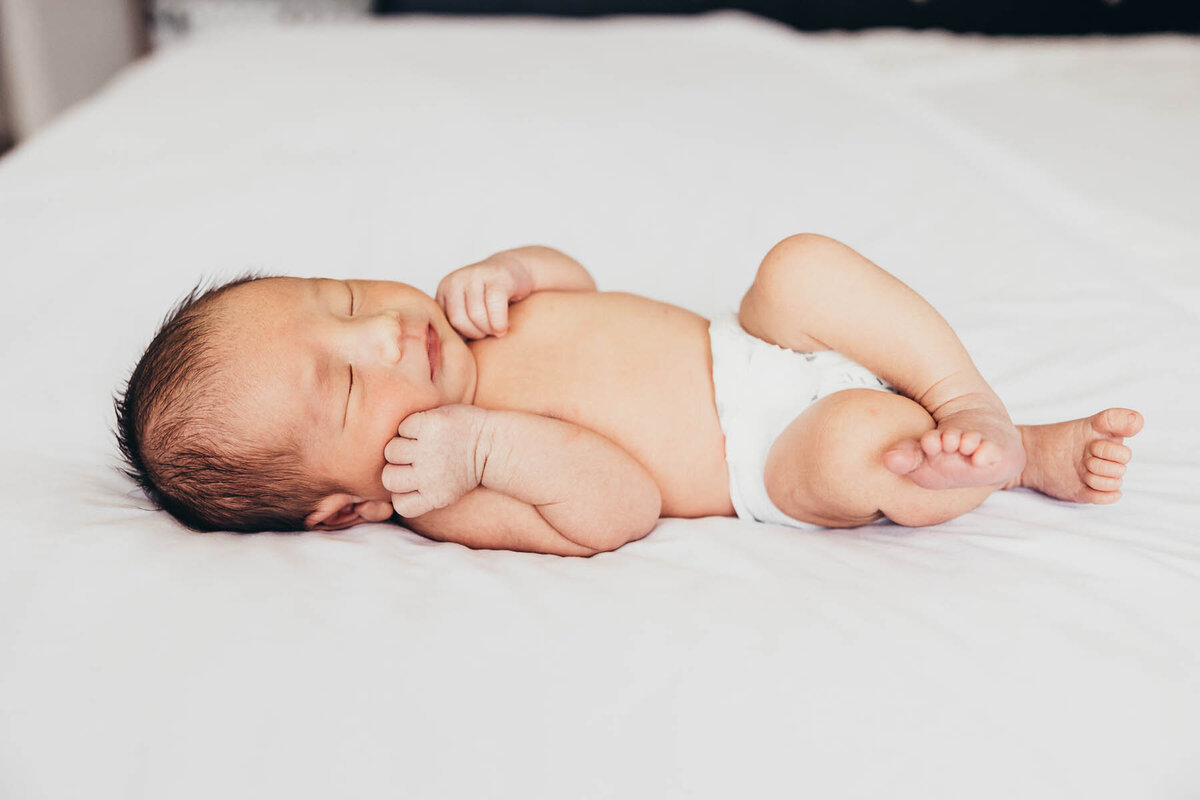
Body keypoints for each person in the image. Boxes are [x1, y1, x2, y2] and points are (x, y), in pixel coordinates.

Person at [114, 234, 1143, 556]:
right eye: (345, 379)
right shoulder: (441, 490)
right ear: (346, 504)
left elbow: (580, 282)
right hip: (766, 449)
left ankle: (970, 401)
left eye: (336, 296)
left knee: (798, 266)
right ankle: (1005, 458)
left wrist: (517, 272)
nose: (377, 329)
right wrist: (488, 448)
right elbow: (617, 508)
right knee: (855, 444)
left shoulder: (461, 310)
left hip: (757, 341)